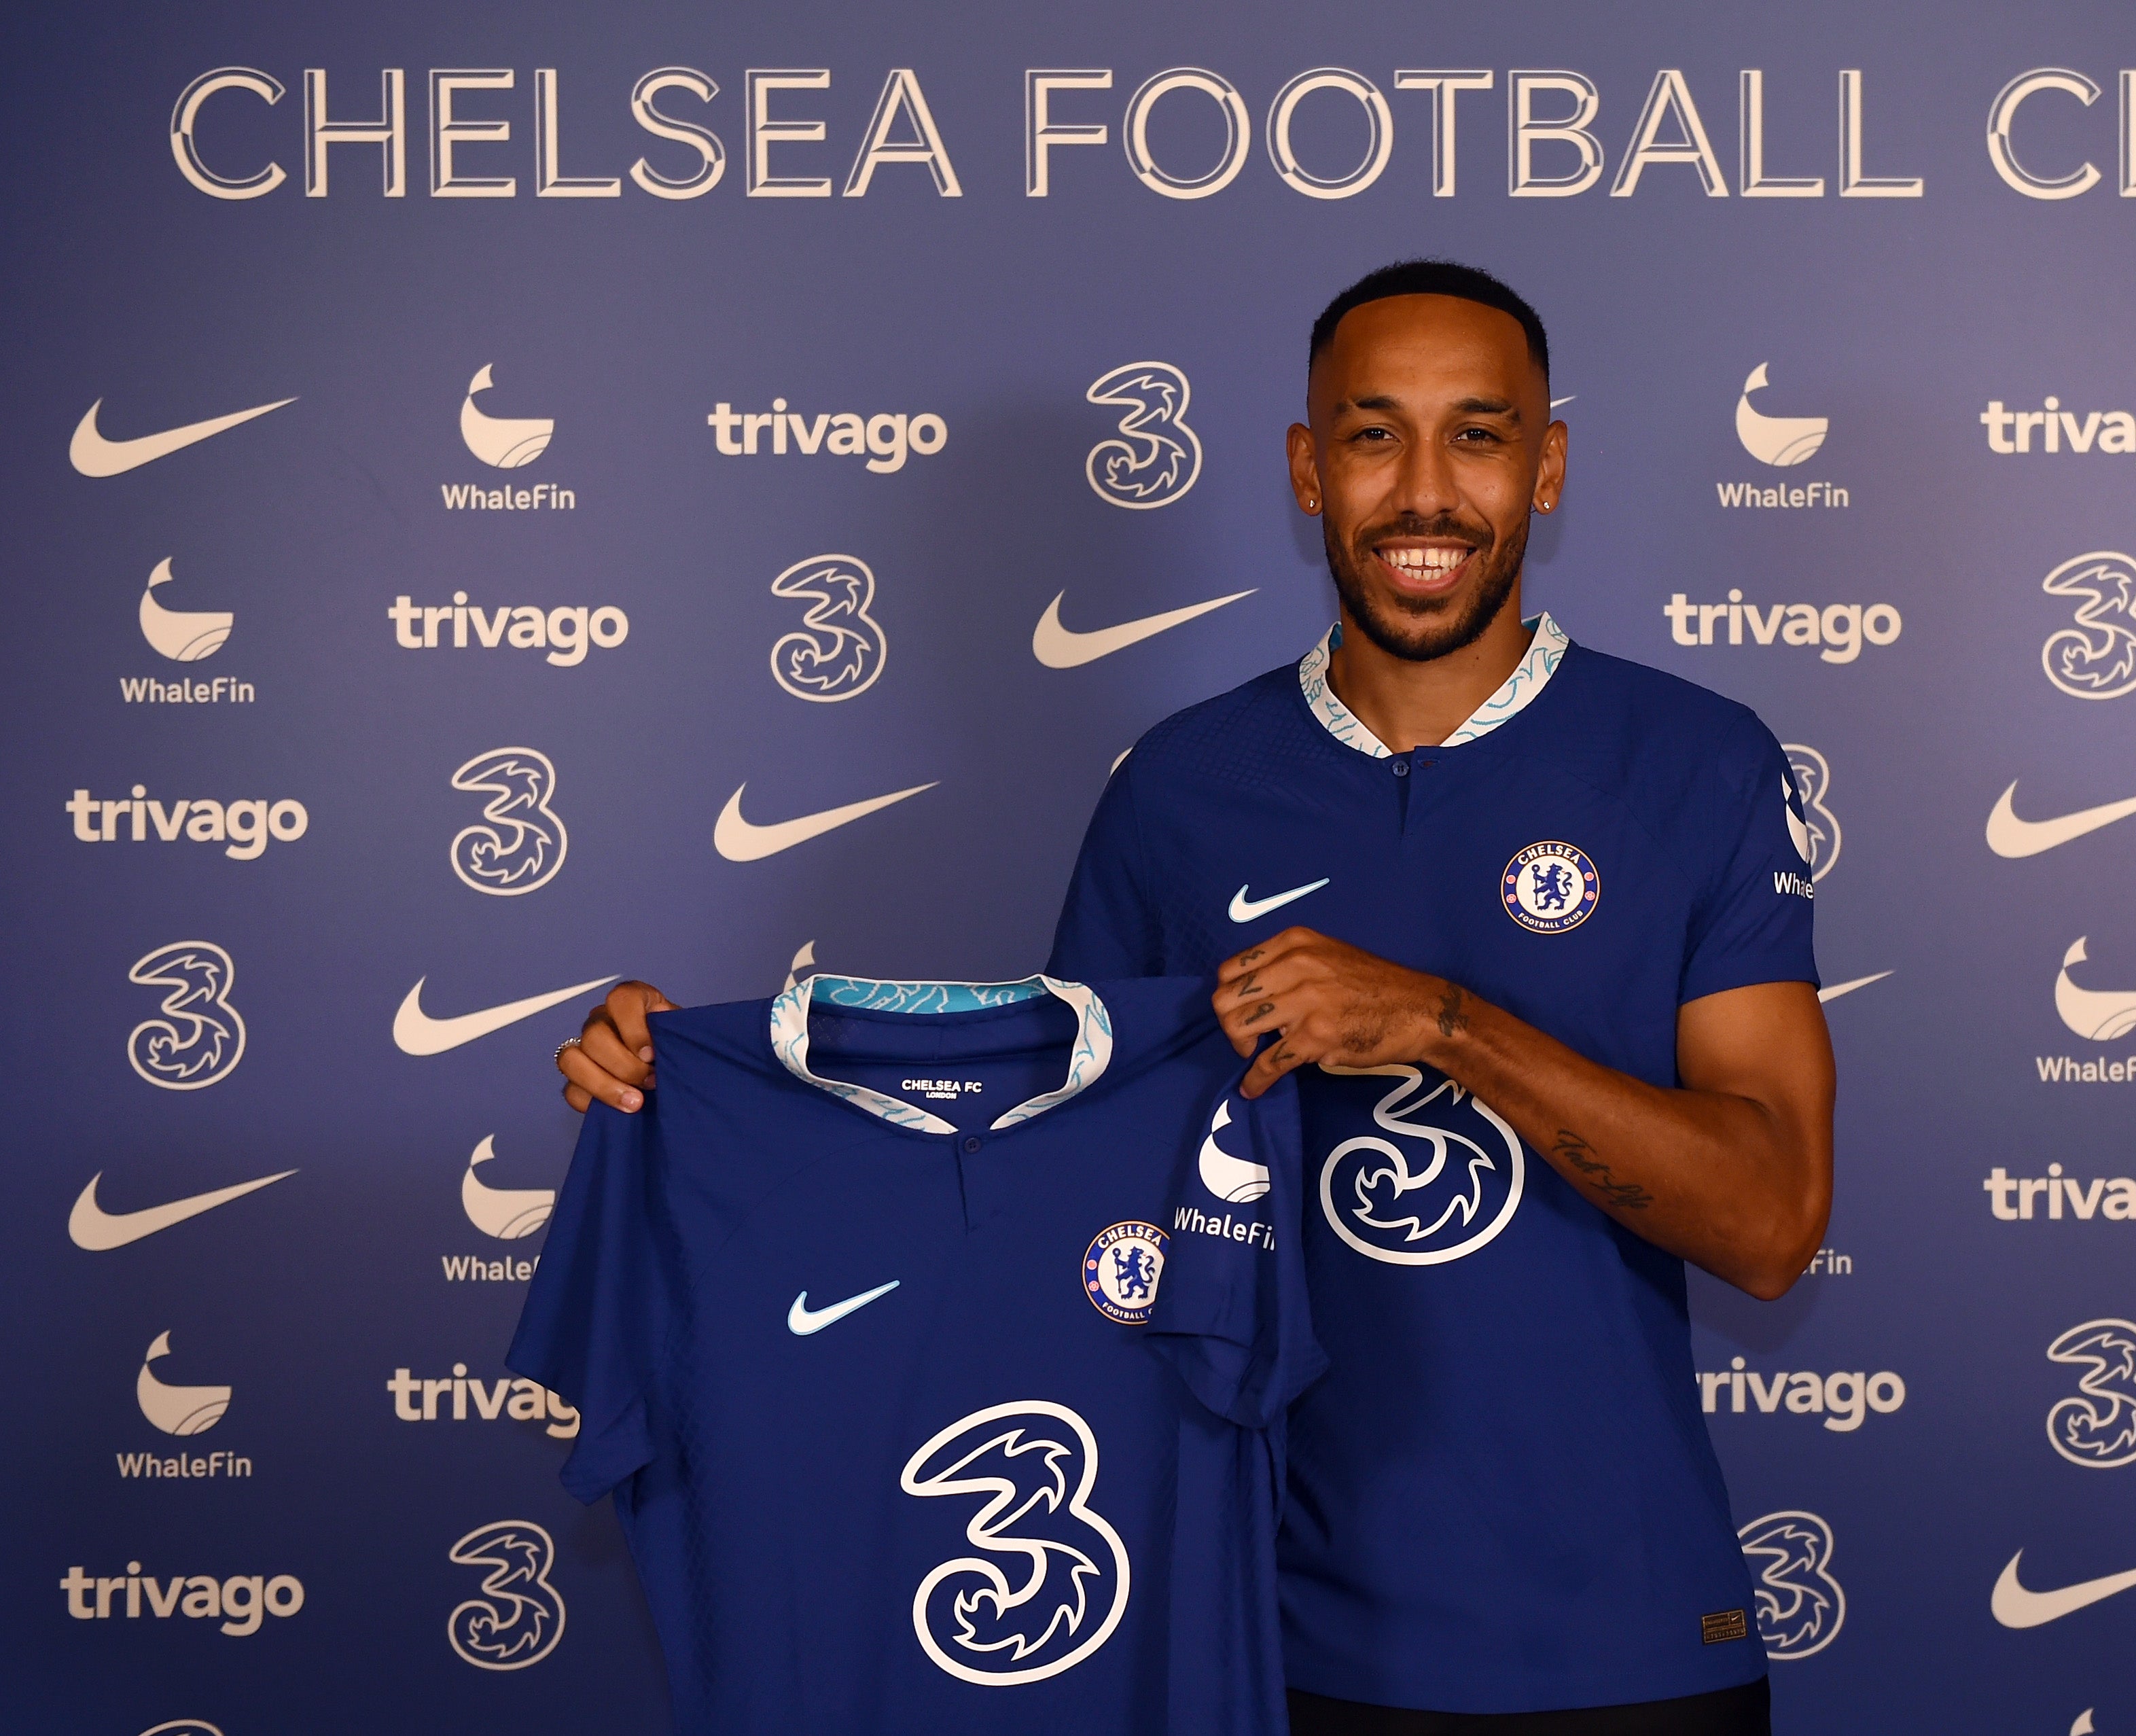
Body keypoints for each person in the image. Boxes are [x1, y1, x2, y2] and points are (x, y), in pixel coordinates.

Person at [559, 260, 1834, 1735]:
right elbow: (1033, 1191)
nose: (1423, 491)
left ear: (1544, 466)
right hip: (1251, 1649)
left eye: (1475, 435)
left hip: (1623, 1650)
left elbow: (1768, 1224)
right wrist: (687, 1094)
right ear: (1307, 470)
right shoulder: (1178, 793)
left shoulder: (1694, 763)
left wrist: (1442, 1025)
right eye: (1371, 436)